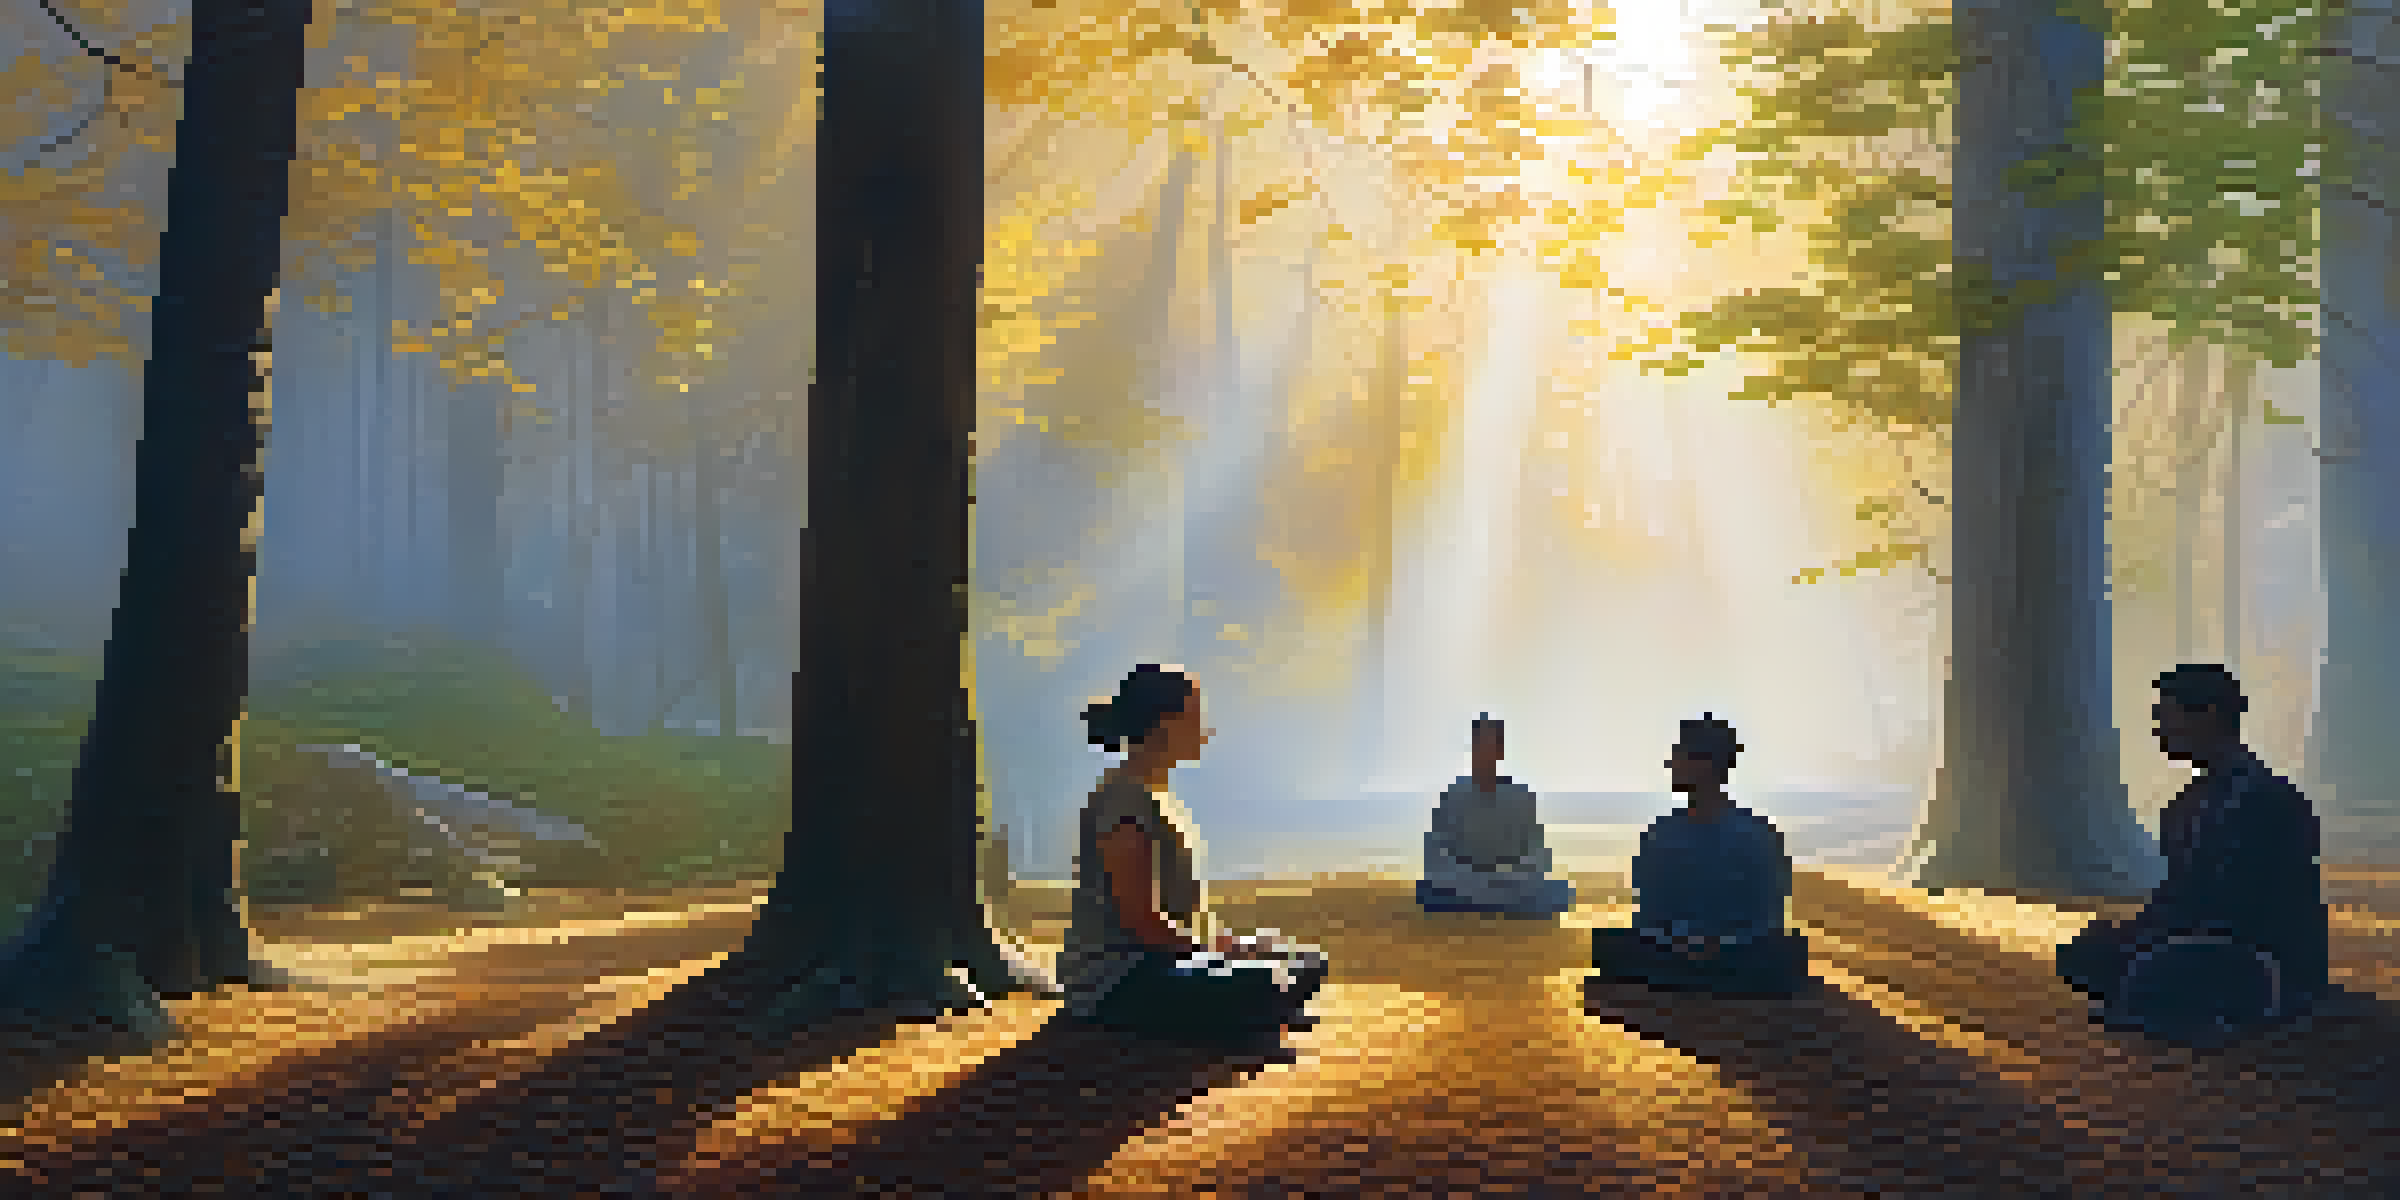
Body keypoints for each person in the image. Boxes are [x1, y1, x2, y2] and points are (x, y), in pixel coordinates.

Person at [1057, 664, 1330, 1056]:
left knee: (1306, 962)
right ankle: (1251, 1016)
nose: (1205, 730)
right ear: (1164, 726)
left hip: (1170, 959)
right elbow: (1143, 924)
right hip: (1120, 978)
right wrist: (1220, 952)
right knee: (1265, 978)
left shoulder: (1157, 794)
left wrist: (1233, 944)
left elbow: (1183, 915)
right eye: (1195, 717)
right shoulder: (1124, 801)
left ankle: (1256, 1010)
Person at [2056, 664, 2328, 1045]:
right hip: (2198, 937)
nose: (2159, 730)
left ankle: (2227, 1007)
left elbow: (2237, 908)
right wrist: (2134, 931)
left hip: (2258, 955)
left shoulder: (2262, 800)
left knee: (2155, 970)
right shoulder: (2189, 802)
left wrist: (2154, 936)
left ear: (2209, 715)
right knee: (2085, 953)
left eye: (2168, 717)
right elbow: (2179, 893)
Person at [1591, 714, 1808, 994]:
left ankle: (1692, 975)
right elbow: (1649, 910)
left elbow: (1769, 912)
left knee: (1783, 951)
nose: (1671, 766)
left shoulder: (1757, 833)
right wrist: (1680, 939)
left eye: (1679, 757)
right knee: (1608, 943)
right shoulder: (1661, 832)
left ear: (1705, 765)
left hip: (1736, 950)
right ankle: (1708, 977)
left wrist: (1722, 941)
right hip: (1674, 949)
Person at [1417, 714, 1576, 918]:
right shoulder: (1452, 796)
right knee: (1426, 892)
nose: (1484, 753)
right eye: (1480, 746)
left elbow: (1539, 856)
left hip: (1510, 885)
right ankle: (1495, 906)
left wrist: (1505, 879)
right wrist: (1473, 882)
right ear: (1472, 749)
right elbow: (1434, 855)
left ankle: (1487, 905)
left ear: (1499, 751)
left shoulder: (1520, 796)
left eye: (1490, 746)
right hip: (1464, 886)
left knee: (1561, 892)